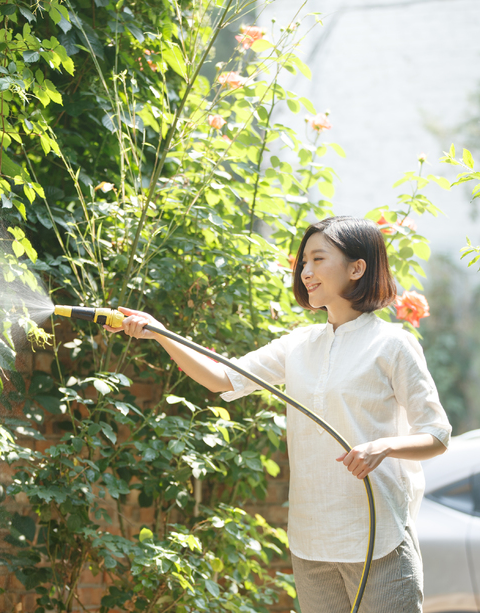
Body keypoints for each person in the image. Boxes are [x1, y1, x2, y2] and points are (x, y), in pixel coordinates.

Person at [107, 216, 451, 613]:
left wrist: (385, 446)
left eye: (319, 259)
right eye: (303, 261)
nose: (306, 272)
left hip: (379, 536)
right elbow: (223, 378)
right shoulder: (299, 345)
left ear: (358, 268)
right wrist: (159, 333)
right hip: (311, 538)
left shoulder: (393, 344)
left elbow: (437, 435)